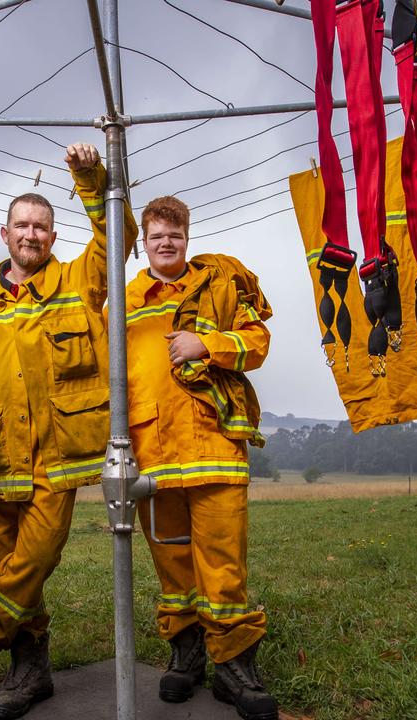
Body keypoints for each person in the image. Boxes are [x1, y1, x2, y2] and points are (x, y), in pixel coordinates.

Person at [0, 143, 137, 720]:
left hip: (56, 457)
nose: (32, 235)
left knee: (36, 558)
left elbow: (118, 240)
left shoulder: (79, 281)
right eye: (22, 226)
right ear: (5, 234)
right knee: (2, 569)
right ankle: (30, 672)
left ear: (54, 236)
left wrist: (91, 180)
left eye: (42, 227)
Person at [124, 195, 278, 720]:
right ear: (144, 242)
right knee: (171, 565)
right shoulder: (125, 301)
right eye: (156, 235)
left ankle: (234, 668)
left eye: (176, 234)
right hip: (153, 455)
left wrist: (205, 343)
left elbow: (258, 341)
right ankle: (185, 656)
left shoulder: (219, 287)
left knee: (223, 567)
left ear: (188, 238)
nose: (166, 242)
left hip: (214, 449)